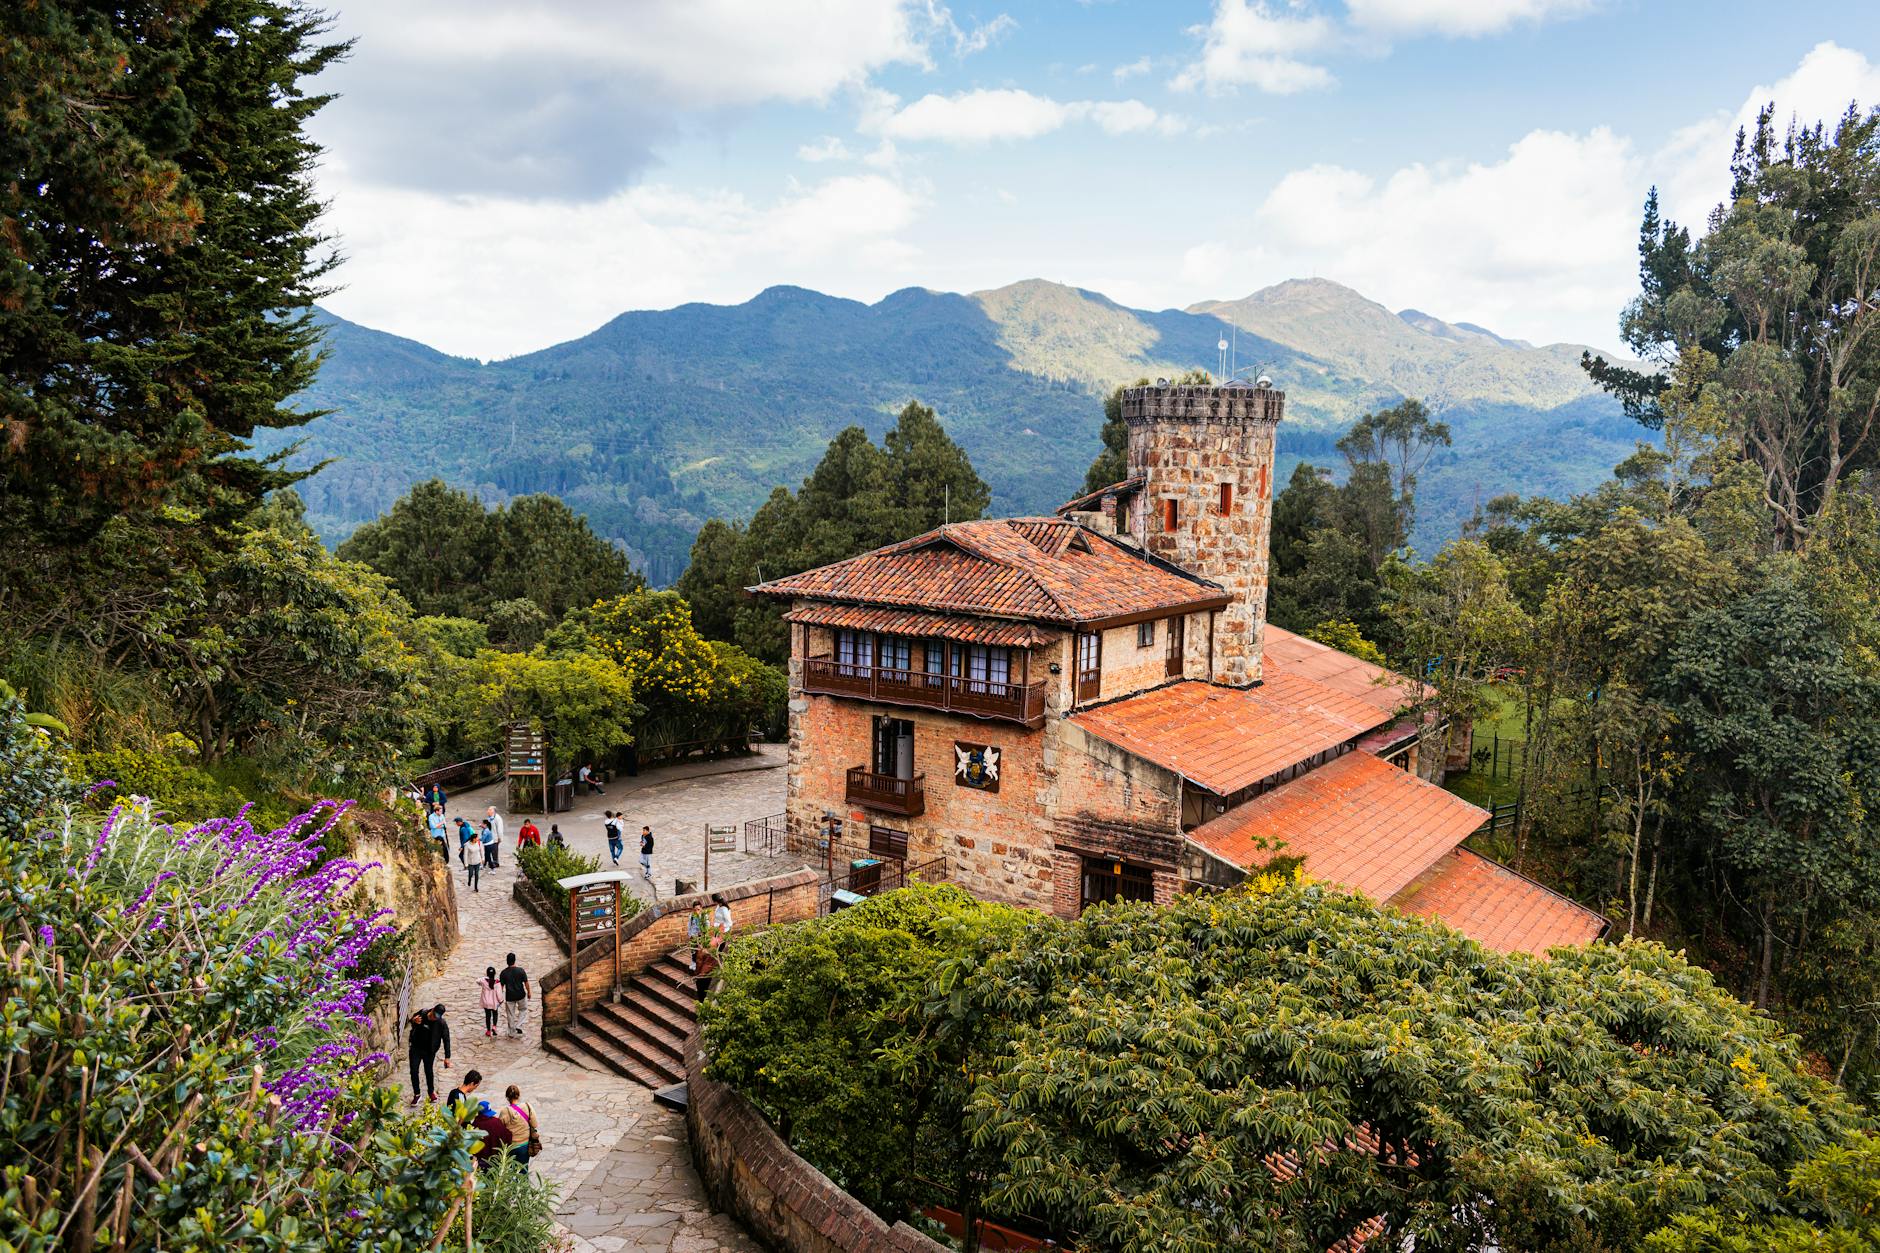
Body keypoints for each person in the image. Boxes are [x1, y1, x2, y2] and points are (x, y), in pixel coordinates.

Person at [499, 1083, 538, 1168]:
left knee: (511, 1171)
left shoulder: (504, 1111)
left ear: (507, 1097)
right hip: (524, 1144)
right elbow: (535, 1124)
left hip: (511, 1146)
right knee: (523, 1170)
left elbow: (500, 1129)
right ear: (518, 1095)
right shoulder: (527, 1106)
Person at [470, 1099, 514, 1168]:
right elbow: (508, 1136)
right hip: (495, 1161)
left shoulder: (474, 1125)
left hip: (479, 1162)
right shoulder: (496, 1122)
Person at [499, 952, 531, 1038]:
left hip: (510, 997)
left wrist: (499, 997)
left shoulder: (503, 973)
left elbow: (501, 987)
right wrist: (529, 992)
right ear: (514, 961)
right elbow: (526, 983)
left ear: (507, 961)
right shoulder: (521, 970)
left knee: (510, 1014)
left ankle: (511, 1032)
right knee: (523, 1010)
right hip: (521, 995)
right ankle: (519, 1025)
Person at [478, 966, 502, 1037]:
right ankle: (494, 1026)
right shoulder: (497, 983)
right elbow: (499, 994)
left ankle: (488, 1031)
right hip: (494, 1002)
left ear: (487, 974)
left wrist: (484, 978)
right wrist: (500, 1001)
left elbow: (477, 980)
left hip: (486, 1003)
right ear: (494, 974)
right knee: (495, 1014)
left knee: (488, 1016)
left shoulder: (483, 981)